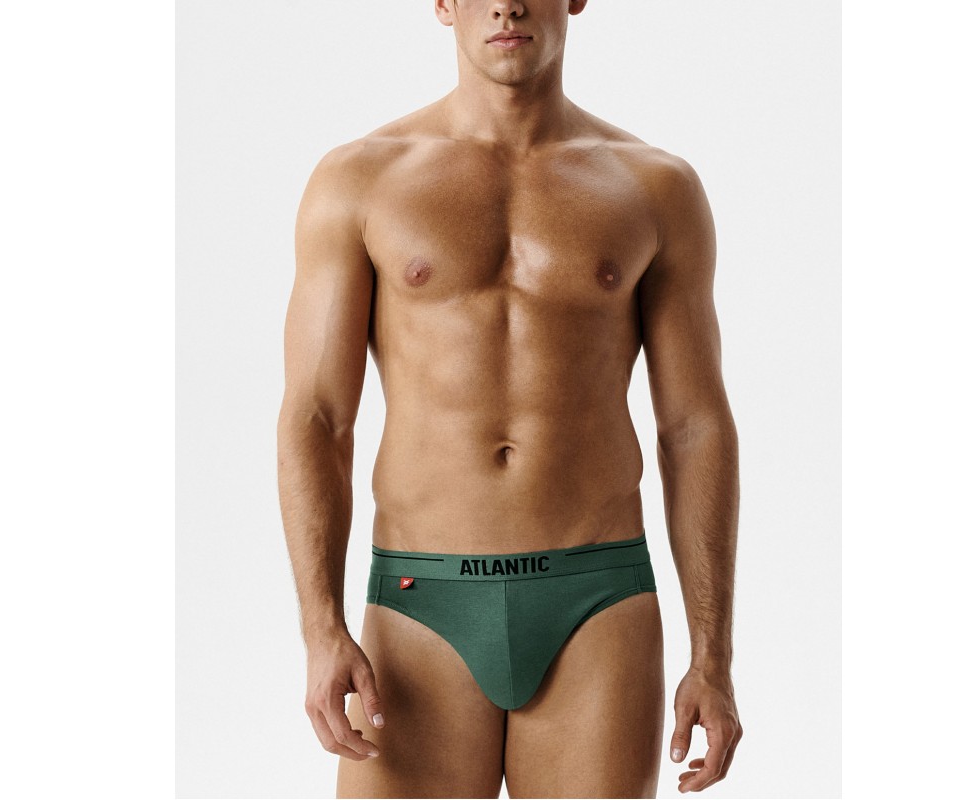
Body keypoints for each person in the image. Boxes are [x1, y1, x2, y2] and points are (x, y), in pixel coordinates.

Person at [276, 1, 742, 796]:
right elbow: (318, 417)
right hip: (421, 606)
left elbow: (694, 425)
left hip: (596, 602)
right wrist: (322, 631)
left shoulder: (654, 187)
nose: (506, 5)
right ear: (443, 4)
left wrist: (714, 657)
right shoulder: (360, 180)